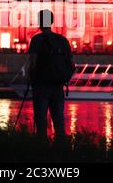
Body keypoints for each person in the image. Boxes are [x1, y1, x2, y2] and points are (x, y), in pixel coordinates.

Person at [28, 9, 74, 139]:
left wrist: (31, 79)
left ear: (40, 22)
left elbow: (32, 64)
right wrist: (63, 78)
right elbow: (72, 65)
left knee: (41, 121)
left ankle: (42, 151)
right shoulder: (62, 40)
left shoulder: (36, 40)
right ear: (52, 22)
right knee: (59, 121)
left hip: (41, 86)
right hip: (58, 87)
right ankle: (61, 151)